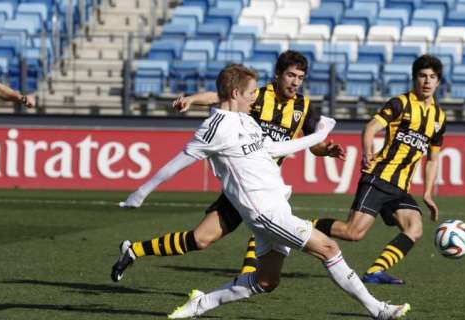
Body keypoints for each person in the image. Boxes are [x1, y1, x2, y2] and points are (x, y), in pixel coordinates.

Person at [114, 63, 410, 319]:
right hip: (263, 213)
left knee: (266, 281)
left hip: (278, 205)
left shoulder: (246, 120)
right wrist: (138, 194)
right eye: (252, 92)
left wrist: (319, 136)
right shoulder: (213, 129)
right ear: (236, 94)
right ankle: (378, 310)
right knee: (329, 248)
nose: (256, 96)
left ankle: (201, 303)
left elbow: (274, 148)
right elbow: (174, 165)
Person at [111, 50, 345, 281]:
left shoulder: (304, 106)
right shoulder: (257, 95)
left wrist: (326, 150)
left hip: (267, 185)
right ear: (277, 75)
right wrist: (192, 99)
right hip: (241, 181)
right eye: (291, 76)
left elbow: (313, 144)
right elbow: (220, 97)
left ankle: (248, 282)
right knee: (201, 239)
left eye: (300, 78)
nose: (296, 83)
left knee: (263, 231)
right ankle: (134, 250)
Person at [313, 54, 447, 285]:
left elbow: (433, 159)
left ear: (438, 82)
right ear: (415, 79)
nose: (427, 81)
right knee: (353, 233)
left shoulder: (439, 118)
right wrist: (367, 151)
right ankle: (302, 227)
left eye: (432, 77)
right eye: (423, 76)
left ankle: (375, 272)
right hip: (379, 178)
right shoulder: (400, 103)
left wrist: (427, 193)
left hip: (401, 188)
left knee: (414, 228)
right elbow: (370, 127)